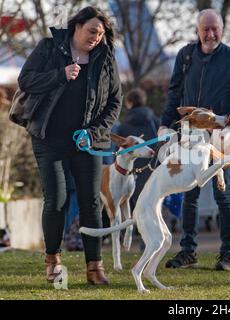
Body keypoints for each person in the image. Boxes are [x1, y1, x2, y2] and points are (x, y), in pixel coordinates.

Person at [17, 6, 121, 285]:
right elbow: (25, 80)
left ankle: (94, 267)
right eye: (92, 31)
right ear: (76, 26)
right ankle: (53, 261)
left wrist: (94, 131)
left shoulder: (106, 57)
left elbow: (114, 102)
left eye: (100, 34)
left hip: (88, 142)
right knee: (57, 200)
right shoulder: (49, 48)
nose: (96, 38)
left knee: (91, 202)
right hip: (49, 138)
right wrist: (60, 75)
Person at [159, 8, 230, 271]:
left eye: (215, 28)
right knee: (189, 193)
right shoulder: (185, 56)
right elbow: (174, 93)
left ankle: (228, 254)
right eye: (206, 29)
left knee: (223, 195)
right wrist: (165, 125)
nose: (210, 33)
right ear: (198, 30)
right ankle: (188, 251)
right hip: (190, 134)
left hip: (220, 136)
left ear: (222, 30)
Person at [116, 88, 160, 211]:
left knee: (130, 201)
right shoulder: (155, 122)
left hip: (131, 171)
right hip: (152, 167)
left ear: (129, 102)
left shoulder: (123, 127)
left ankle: (134, 227)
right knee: (152, 203)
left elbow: (118, 151)